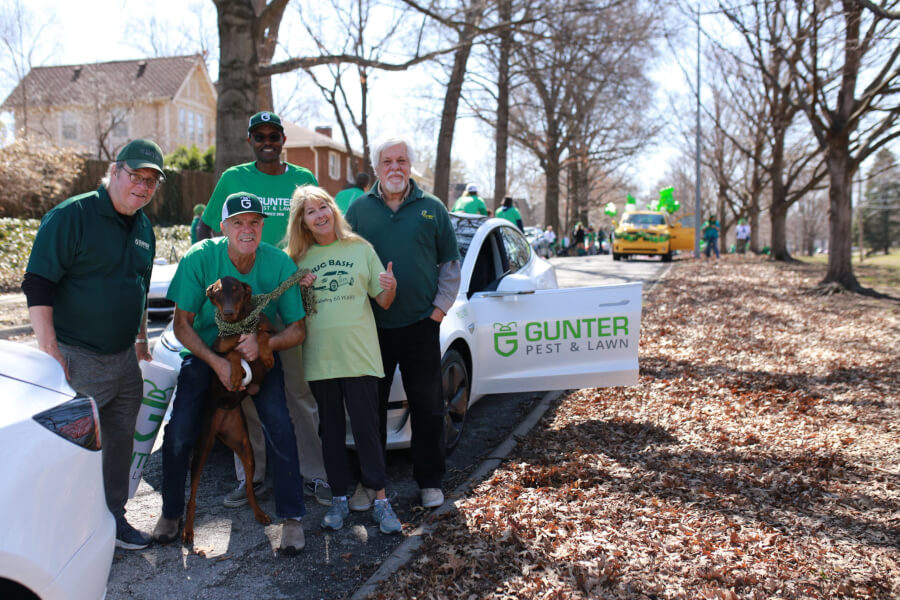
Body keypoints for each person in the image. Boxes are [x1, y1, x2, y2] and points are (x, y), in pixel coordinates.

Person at [22, 138, 166, 550]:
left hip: (123, 360)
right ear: (115, 171)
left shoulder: (143, 227)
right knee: (73, 449)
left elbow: (137, 290)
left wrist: (140, 342)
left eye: (151, 181)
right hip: (76, 356)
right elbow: (38, 283)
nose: (142, 186)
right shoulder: (72, 215)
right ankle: (63, 538)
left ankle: (112, 519)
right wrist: (49, 349)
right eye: (136, 176)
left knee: (120, 443)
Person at [153, 192, 308, 554]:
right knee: (179, 430)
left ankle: (291, 518)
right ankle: (171, 513)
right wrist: (218, 362)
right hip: (208, 354)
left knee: (280, 425)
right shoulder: (201, 257)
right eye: (237, 222)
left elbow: (298, 330)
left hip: (257, 358)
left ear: (262, 226)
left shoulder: (278, 263)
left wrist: (264, 345)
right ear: (223, 227)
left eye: (254, 222)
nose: (247, 229)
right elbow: (181, 326)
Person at [200, 111, 331, 509]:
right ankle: (252, 476)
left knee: (297, 392)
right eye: (260, 135)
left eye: (274, 135)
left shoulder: (303, 179)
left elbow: (321, 225)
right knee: (245, 390)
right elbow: (207, 229)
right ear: (250, 140)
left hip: (287, 296)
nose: (267, 141)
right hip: (239, 305)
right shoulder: (232, 179)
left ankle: (314, 475)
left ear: (283, 139)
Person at [345, 137, 460, 510]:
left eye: (402, 161)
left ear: (411, 166)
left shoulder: (432, 208)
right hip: (370, 328)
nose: (395, 167)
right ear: (377, 168)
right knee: (369, 410)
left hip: (419, 326)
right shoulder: (359, 210)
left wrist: (437, 313)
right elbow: (343, 260)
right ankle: (369, 482)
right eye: (387, 161)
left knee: (428, 406)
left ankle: (429, 481)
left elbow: (449, 267)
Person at [285, 186, 402, 534]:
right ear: (302, 222)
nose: (319, 214)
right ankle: (339, 498)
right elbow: (295, 314)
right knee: (331, 432)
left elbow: (383, 301)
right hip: (321, 359)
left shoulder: (360, 249)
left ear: (334, 211)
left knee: (367, 429)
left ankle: (380, 500)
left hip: (360, 355)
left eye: (324, 207)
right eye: (310, 211)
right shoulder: (296, 260)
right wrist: (300, 288)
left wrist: (391, 285)